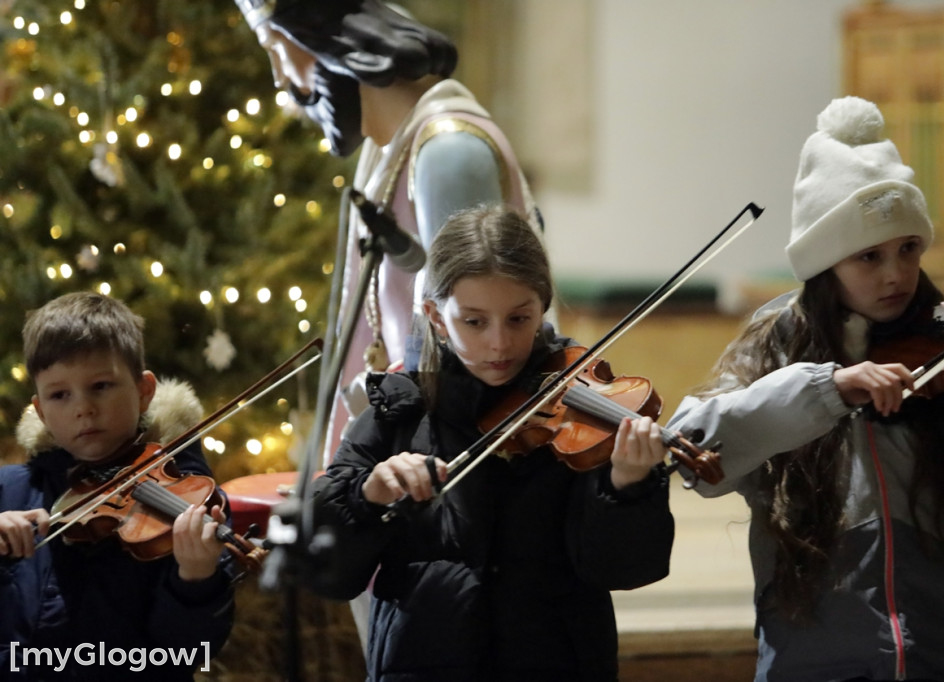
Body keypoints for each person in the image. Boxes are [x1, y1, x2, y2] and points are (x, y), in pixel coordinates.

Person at [667, 95, 944, 682]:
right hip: (813, 661)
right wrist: (825, 390)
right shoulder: (775, 350)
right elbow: (694, 450)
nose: (896, 274)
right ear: (825, 264)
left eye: (908, 249)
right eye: (869, 257)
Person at [309, 205, 674, 681]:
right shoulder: (396, 412)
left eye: (519, 319)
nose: (499, 344)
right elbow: (328, 575)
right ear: (437, 317)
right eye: (475, 322)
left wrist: (627, 488)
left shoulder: (584, 413)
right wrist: (367, 495)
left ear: (542, 307)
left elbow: (624, 571)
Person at [233, 0, 545, 457]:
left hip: (452, 454)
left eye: (277, 49)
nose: (281, 78)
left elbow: (471, 341)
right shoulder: (394, 147)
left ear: (324, 39)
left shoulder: (448, 151)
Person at [0, 292, 235, 680]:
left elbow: (184, 656)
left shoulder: (186, 500)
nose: (83, 408)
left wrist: (195, 578)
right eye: (59, 394)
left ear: (144, 392)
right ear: (40, 410)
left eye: (101, 385)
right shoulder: (9, 491)